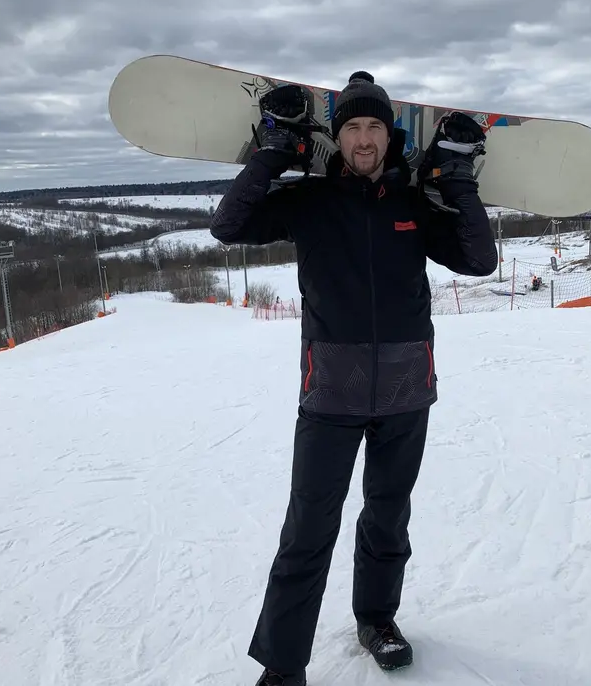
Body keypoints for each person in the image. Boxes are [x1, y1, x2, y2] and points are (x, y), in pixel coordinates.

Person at [210, 71, 498, 686]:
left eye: (374, 127)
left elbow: (479, 259)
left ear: (390, 137)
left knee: (388, 519)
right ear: (337, 138)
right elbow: (228, 225)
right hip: (331, 393)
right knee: (308, 530)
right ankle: (283, 666)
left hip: (405, 389)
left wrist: (457, 181)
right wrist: (273, 151)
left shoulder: (414, 204)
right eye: (352, 128)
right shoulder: (310, 201)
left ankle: (377, 621)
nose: (364, 139)